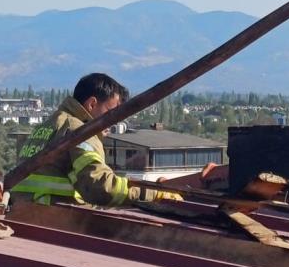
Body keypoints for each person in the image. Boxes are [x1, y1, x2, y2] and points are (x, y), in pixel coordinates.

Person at [11, 73, 182, 206]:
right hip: (53, 221)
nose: (114, 121)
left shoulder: (51, 124)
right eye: (112, 113)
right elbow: (98, 186)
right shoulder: (80, 131)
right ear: (92, 104)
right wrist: (154, 193)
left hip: (26, 215)